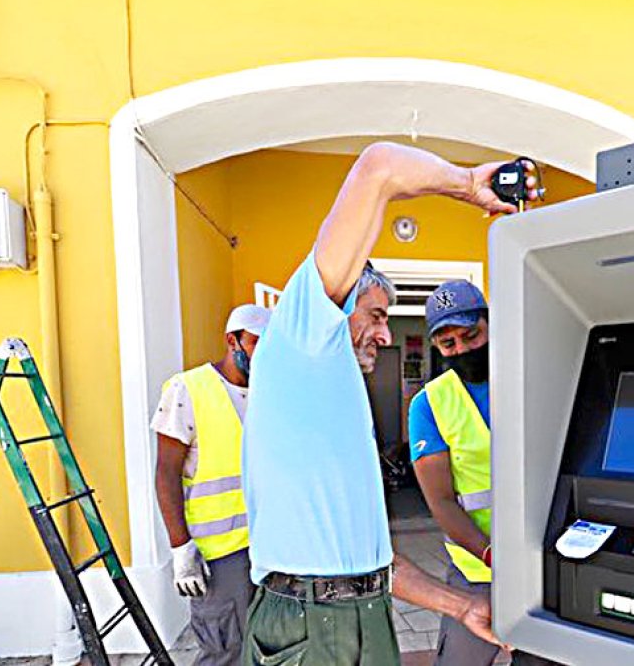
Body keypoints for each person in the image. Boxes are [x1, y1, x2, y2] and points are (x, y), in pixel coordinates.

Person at [241, 142, 538, 665]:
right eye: (376, 315)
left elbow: (375, 563)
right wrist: (468, 185)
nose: (384, 334)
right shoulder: (299, 335)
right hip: (307, 625)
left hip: (363, 614)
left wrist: (462, 606)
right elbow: (379, 166)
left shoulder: (336, 403)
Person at [410, 282, 562, 666]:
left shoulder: (532, 380)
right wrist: (493, 555)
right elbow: (441, 501)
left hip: (545, 565)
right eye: (448, 343)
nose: (462, 349)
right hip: (476, 570)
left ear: (491, 325)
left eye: (471, 335)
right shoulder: (429, 404)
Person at [152, 303, 270, 666]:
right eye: (257, 343)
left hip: (267, 546)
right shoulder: (188, 388)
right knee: (224, 651)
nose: (265, 353)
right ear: (232, 341)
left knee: (265, 644)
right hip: (218, 556)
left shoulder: (269, 393)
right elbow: (166, 473)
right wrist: (180, 548)